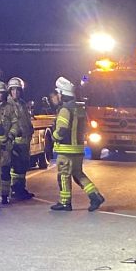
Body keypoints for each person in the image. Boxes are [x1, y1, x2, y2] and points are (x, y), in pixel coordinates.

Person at [50, 76, 105, 211]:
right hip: (78, 150)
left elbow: (62, 130)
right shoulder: (79, 109)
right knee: (78, 174)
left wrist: (54, 136)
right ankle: (95, 196)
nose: (57, 96)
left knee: (63, 175)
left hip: (66, 150)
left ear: (62, 93)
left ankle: (65, 202)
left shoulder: (65, 109)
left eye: (58, 93)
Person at [2, 76, 35, 201]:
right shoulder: (8, 104)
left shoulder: (22, 104)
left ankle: (21, 188)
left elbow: (25, 119)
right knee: (15, 168)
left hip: (24, 142)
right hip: (15, 142)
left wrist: (30, 128)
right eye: (13, 90)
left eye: (18, 90)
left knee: (22, 167)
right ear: (9, 91)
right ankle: (15, 189)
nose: (15, 92)